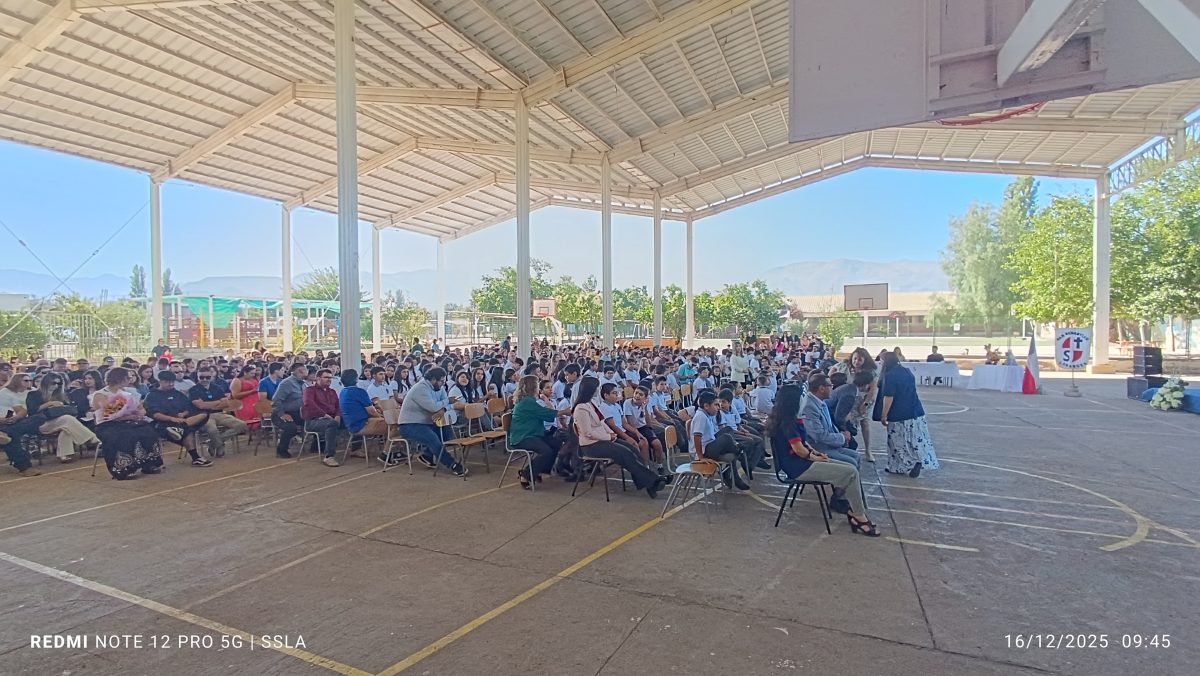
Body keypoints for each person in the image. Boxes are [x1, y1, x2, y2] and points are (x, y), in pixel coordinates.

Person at [767, 384, 878, 537]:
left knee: (849, 467)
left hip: (804, 462)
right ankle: (858, 516)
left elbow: (805, 444)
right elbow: (799, 450)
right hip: (799, 468)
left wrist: (817, 454)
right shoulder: (787, 423)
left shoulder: (792, 419)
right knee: (851, 473)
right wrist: (815, 458)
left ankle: (854, 510)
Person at [571, 376, 665, 498]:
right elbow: (587, 432)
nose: (597, 390)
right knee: (624, 453)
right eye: (596, 388)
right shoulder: (581, 408)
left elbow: (601, 422)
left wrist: (610, 434)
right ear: (590, 389)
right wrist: (608, 436)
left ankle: (649, 483)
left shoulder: (591, 403)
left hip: (602, 440)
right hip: (591, 445)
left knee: (632, 450)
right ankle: (653, 481)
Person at [875, 352, 939, 478]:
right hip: (915, 412)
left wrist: (883, 415)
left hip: (899, 414)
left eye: (881, 361)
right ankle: (900, 465)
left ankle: (909, 462)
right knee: (914, 440)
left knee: (897, 442)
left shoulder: (890, 376)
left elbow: (889, 397)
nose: (880, 363)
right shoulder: (906, 372)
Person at [92, 367, 163, 480]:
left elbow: (141, 408)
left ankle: (149, 465)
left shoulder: (129, 392)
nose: (130, 379)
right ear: (120, 378)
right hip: (108, 425)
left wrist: (139, 413)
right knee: (124, 436)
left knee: (148, 432)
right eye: (128, 377)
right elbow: (105, 412)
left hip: (128, 421)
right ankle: (124, 469)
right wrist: (125, 414)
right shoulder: (100, 394)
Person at [398, 367, 469, 477]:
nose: (443, 383)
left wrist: (444, 409)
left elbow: (449, 406)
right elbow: (433, 407)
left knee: (447, 433)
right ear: (433, 379)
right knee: (433, 439)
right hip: (409, 425)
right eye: (441, 381)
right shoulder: (420, 388)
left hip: (426, 423)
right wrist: (447, 402)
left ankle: (427, 455)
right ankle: (452, 465)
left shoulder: (438, 388)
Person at [24, 372, 99, 463]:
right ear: (46, 382)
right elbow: (31, 411)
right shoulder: (33, 394)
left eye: (59, 384)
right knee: (67, 419)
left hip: (59, 421)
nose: (56, 386)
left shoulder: (61, 395)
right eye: (53, 383)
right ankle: (92, 439)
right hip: (41, 423)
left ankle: (64, 455)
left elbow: (70, 409)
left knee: (66, 427)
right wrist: (49, 404)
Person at [143, 371, 213, 467]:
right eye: (167, 382)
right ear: (160, 381)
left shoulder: (177, 393)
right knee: (188, 430)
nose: (171, 384)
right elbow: (154, 414)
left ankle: (178, 429)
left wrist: (184, 413)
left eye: (172, 381)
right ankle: (196, 458)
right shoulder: (152, 395)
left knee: (203, 414)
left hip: (181, 421)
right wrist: (171, 419)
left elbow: (189, 407)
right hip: (162, 424)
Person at [507, 375, 564, 489]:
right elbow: (546, 414)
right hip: (522, 437)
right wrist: (564, 412)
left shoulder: (530, 400)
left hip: (532, 434)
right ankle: (526, 475)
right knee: (546, 451)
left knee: (555, 443)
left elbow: (544, 414)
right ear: (532, 387)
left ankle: (539, 470)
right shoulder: (527, 401)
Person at [689, 390, 750, 490]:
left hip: (710, 444)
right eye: (716, 405)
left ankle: (733, 469)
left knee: (728, 430)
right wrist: (701, 457)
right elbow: (697, 437)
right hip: (705, 451)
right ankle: (739, 450)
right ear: (706, 406)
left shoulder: (706, 414)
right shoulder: (701, 417)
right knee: (726, 438)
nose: (718, 407)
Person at [189, 368, 248, 457]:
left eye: (207, 377)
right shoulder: (193, 390)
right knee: (212, 430)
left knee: (241, 425)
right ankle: (219, 447)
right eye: (202, 377)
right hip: (203, 416)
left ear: (212, 377)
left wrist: (207, 404)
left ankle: (213, 443)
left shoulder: (217, 388)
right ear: (197, 377)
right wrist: (218, 402)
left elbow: (226, 403)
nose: (205, 379)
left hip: (219, 414)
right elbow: (200, 406)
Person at [338, 369, 386, 461]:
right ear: (356, 379)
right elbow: (371, 411)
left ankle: (385, 451)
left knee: (386, 422)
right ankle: (387, 453)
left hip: (351, 425)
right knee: (392, 425)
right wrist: (382, 418)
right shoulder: (359, 392)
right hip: (362, 424)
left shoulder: (342, 392)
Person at [0, 371, 42, 476]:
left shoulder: (31, 391)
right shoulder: (4, 393)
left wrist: (16, 417)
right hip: (3, 423)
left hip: (14, 422)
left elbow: (21, 410)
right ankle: (25, 468)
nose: (29, 383)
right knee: (12, 437)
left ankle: (4, 434)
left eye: (30, 381)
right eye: (26, 381)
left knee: (39, 417)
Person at [301, 369, 342, 467]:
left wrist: (337, 415)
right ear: (318, 378)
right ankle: (329, 456)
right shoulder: (309, 390)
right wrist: (324, 415)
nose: (329, 380)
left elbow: (338, 406)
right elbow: (309, 404)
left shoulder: (332, 391)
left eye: (330, 377)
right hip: (314, 421)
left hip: (331, 419)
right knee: (331, 424)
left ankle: (355, 448)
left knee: (352, 419)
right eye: (326, 377)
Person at [271, 362, 309, 459]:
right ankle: (281, 450)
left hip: (297, 412)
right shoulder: (287, 383)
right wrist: (282, 414)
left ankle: (315, 446)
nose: (308, 372)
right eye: (306, 369)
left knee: (313, 422)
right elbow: (276, 400)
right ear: (301, 371)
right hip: (281, 413)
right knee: (291, 428)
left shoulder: (304, 384)